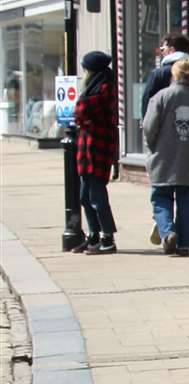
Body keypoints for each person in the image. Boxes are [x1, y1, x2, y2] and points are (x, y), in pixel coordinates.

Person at [142, 56, 189, 256]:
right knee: (188, 201)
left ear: (174, 74)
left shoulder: (160, 97)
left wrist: (152, 149)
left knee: (161, 199)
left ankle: (168, 232)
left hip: (162, 159)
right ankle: (185, 243)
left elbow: (149, 129)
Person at [70, 51, 120, 255]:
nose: (84, 73)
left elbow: (80, 110)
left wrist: (82, 113)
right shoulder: (95, 87)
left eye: (86, 69)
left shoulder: (104, 88)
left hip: (98, 148)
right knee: (84, 196)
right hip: (87, 149)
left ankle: (107, 238)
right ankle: (94, 235)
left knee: (97, 196)